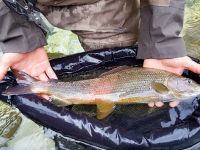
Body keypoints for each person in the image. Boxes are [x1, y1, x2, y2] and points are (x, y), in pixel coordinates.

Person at [0, 0, 200, 107]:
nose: (192, 84)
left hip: (97, 4)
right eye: (189, 82)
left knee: (113, 55)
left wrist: (162, 43)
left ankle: (52, 92)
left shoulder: (165, 83)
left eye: (190, 82)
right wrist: (18, 35)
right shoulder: (163, 84)